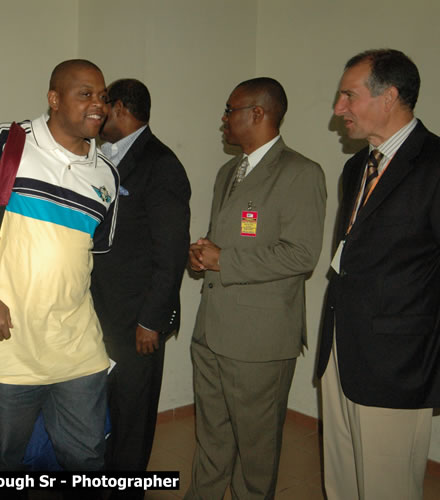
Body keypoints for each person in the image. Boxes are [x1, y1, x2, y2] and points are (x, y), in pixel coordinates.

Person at [0, 59, 118, 478]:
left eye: (103, 97)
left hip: (77, 347)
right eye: (85, 94)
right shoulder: (4, 142)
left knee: (86, 460)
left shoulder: (107, 175)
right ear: (54, 99)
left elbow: (93, 261)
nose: (98, 105)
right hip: (10, 341)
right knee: (6, 459)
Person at [187, 78, 326, 499]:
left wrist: (223, 260)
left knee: (256, 451)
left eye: (231, 110)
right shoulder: (229, 171)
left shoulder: (301, 173)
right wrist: (202, 255)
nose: (224, 119)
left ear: (259, 113)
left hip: (260, 343)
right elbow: (226, 240)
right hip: (211, 331)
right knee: (211, 439)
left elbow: (301, 255)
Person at [317, 49, 440, 500]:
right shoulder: (356, 167)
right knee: (343, 480)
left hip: (398, 365)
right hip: (339, 351)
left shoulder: (434, 164)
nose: (338, 108)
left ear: (389, 97)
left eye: (348, 95)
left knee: (389, 487)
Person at [90, 78, 190, 491]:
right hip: (99, 312)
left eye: (102, 104)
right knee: (102, 409)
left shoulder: (160, 164)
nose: (95, 112)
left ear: (121, 109)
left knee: (132, 414)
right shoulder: (100, 158)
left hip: (137, 320)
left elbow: (170, 252)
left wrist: (151, 319)